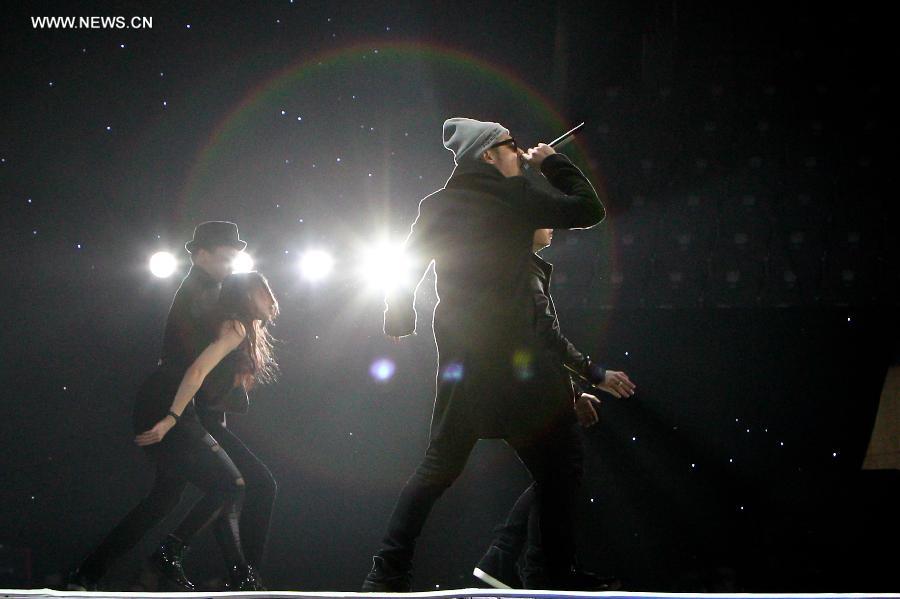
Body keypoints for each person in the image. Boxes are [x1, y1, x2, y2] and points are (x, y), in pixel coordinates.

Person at [362, 117, 607, 591]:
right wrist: (554, 163)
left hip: (465, 360)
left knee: (438, 468)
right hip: (521, 365)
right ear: (489, 155)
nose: (518, 151)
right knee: (558, 469)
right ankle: (549, 574)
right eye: (510, 145)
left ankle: (387, 572)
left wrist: (399, 315)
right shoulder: (514, 199)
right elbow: (589, 209)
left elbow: (407, 259)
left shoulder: (439, 204)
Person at [69, 222, 277, 591]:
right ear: (201, 255)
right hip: (175, 402)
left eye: (234, 259)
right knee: (237, 484)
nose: (231, 265)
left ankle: (89, 573)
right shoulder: (202, 293)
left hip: (187, 405)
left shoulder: (213, 293)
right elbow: (194, 367)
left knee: (170, 497)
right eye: (225, 258)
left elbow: (203, 368)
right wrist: (172, 416)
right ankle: (230, 573)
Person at [472, 228, 635, 590]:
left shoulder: (517, 267)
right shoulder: (522, 271)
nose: (552, 228)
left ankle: (521, 564)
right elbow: (543, 338)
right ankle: (537, 568)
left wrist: (572, 393)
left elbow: (532, 345)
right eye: (545, 219)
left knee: (555, 476)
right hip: (525, 394)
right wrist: (592, 376)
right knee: (562, 471)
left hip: (522, 391)